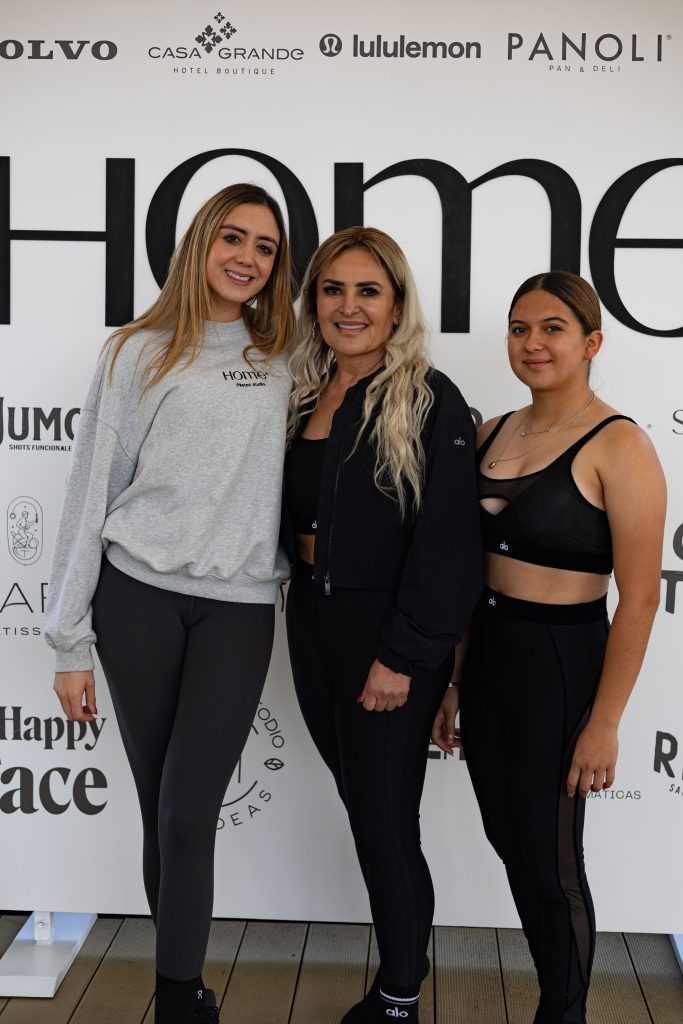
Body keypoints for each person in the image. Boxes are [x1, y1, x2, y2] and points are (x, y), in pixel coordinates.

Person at [45, 183, 295, 1024]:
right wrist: (68, 640)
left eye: (264, 247)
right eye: (233, 237)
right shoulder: (135, 352)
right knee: (163, 810)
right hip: (138, 601)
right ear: (199, 244)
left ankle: (178, 992)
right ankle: (181, 995)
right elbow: (90, 492)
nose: (247, 258)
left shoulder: (288, 356)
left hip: (238, 608)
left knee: (190, 812)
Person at [432, 271, 666, 1024]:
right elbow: (469, 576)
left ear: (591, 342)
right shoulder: (493, 432)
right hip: (490, 658)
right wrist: (454, 680)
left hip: (560, 667)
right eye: (519, 329)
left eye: (552, 329)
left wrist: (604, 722)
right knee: (510, 839)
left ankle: (562, 1013)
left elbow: (640, 598)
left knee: (552, 857)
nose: (532, 343)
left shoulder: (619, 445)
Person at [284, 227, 483, 1023]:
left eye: (368, 290)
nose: (349, 306)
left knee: (384, 823)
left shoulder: (429, 398)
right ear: (313, 303)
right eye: (332, 290)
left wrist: (404, 656)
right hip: (312, 626)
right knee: (370, 811)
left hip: (387, 639)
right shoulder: (303, 393)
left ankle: (398, 996)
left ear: (396, 305)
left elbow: (448, 545)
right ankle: (407, 968)